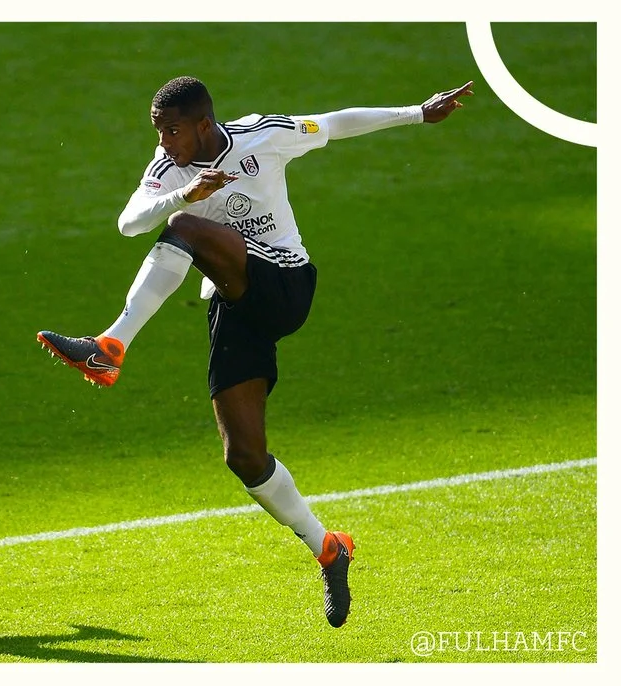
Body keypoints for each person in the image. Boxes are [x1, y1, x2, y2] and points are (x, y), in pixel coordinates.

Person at [37, 76, 473, 628]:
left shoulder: (262, 135)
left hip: (286, 282)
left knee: (185, 228)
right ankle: (328, 547)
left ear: (203, 124)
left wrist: (416, 112)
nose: (163, 142)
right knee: (243, 455)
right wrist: (185, 192)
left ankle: (111, 345)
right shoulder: (169, 167)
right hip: (236, 303)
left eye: (172, 131)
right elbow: (129, 223)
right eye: (158, 132)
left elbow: (334, 123)